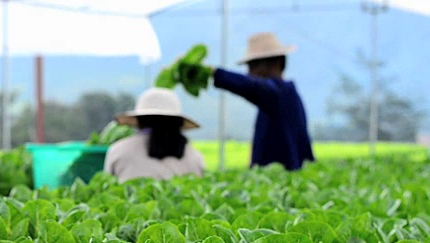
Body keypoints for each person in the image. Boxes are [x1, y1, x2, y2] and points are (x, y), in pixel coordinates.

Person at [212, 32, 315, 171]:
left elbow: (251, 86)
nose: (249, 73)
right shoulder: (274, 98)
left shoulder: (280, 93)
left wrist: (213, 73)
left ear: (278, 62)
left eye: (254, 65)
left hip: (282, 177)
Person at [104, 87, 205, 183]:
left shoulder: (118, 151)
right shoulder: (195, 157)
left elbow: (107, 189)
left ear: (139, 120)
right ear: (178, 123)